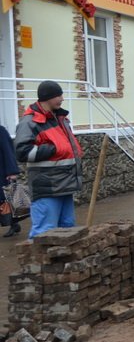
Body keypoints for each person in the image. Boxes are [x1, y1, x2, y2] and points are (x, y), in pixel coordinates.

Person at [15, 80, 84, 239]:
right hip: (47, 188)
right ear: (47, 97)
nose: (62, 98)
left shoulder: (61, 119)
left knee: (68, 231)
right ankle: (38, 264)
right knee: (44, 234)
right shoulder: (30, 122)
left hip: (65, 184)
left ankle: (65, 264)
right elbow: (22, 152)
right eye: (58, 95)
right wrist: (54, 148)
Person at [0, 123, 22, 237]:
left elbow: (8, 151)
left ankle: (14, 224)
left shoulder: (1, 131)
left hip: (2, 172)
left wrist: (12, 172)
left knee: (7, 200)